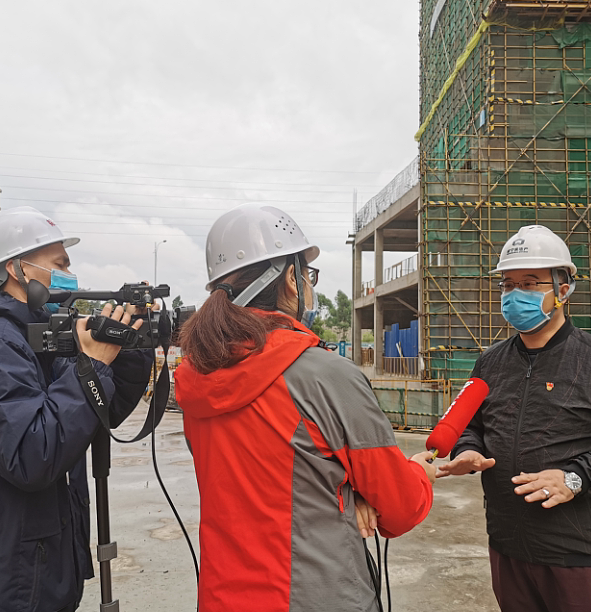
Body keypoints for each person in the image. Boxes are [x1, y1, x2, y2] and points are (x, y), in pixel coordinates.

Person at [174, 203, 436, 612]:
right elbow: (399, 507)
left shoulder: (195, 376)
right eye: (307, 274)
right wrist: (418, 473)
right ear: (292, 280)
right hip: (315, 596)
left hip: (223, 596)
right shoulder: (323, 375)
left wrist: (350, 493)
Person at [0, 207, 153, 612]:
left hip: (34, 568)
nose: (69, 273)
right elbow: (34, 455)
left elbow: (100, 413)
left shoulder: (38, 339)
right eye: (59, 264)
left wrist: (129, 346)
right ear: (18, 269)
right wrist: (93, 366)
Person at [437, 225, 591, 612]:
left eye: (529, 283)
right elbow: (470, 424)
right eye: (507, 284)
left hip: (580, 554)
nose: (514, 294)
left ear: (563, 288)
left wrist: (575, 478)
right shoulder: (490, 363)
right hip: (508, 545)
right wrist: (469, 449)